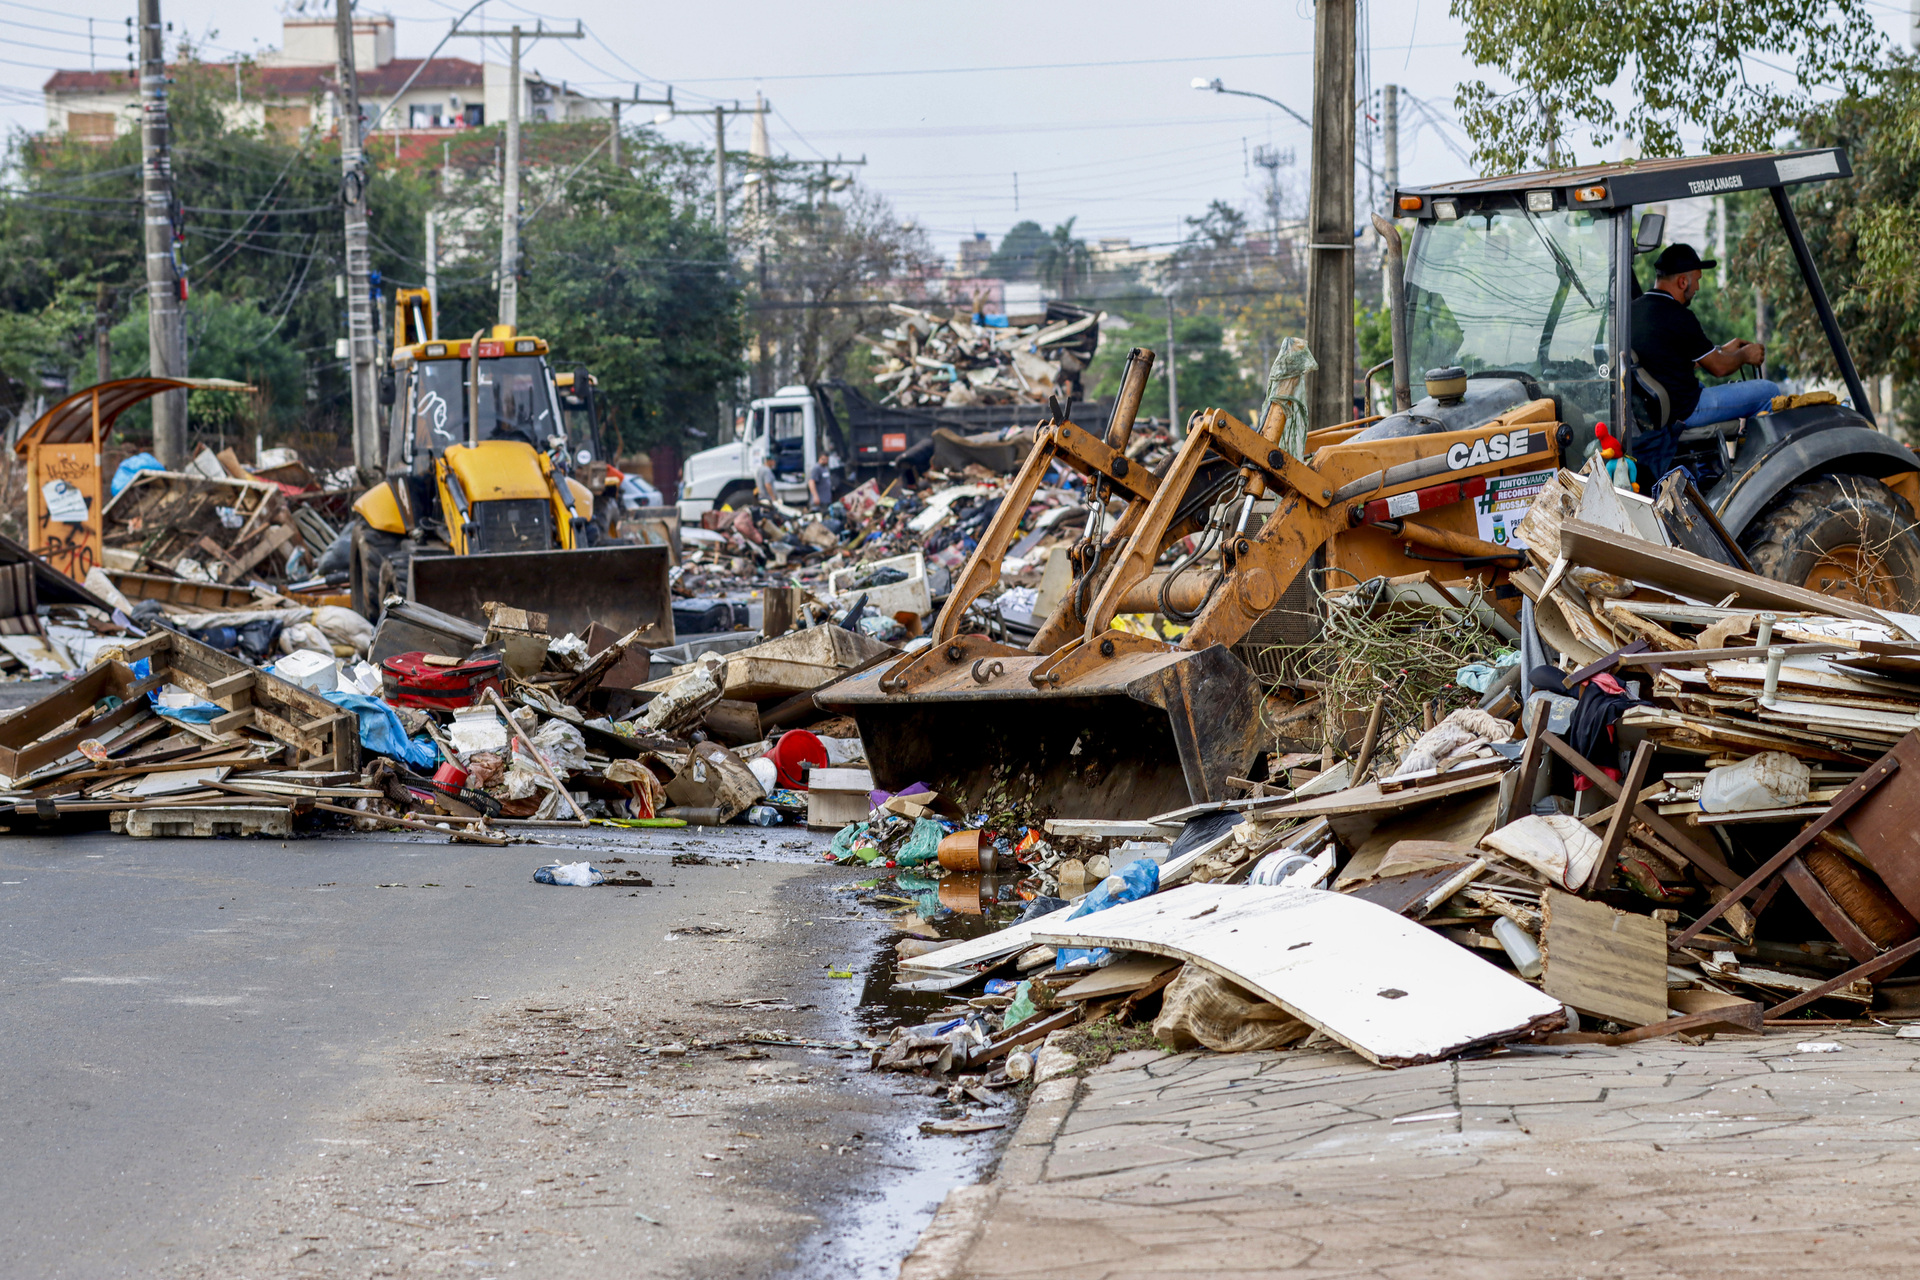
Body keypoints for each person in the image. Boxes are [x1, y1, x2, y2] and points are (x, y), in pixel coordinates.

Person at [1629, 243, 1779, 482]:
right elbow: (1719, 368)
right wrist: (1745, 355)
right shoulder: (1678, 315)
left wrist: (1723, 350)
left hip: (1658, 410)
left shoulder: (1634, 311)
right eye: (1697, 280)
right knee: (1768, 392)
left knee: (1703, 386)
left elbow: (1673, 361)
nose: (1697, 288)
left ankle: (1710, 474)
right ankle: (1758, 476)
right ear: (1683, 282)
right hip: (1686, 409)